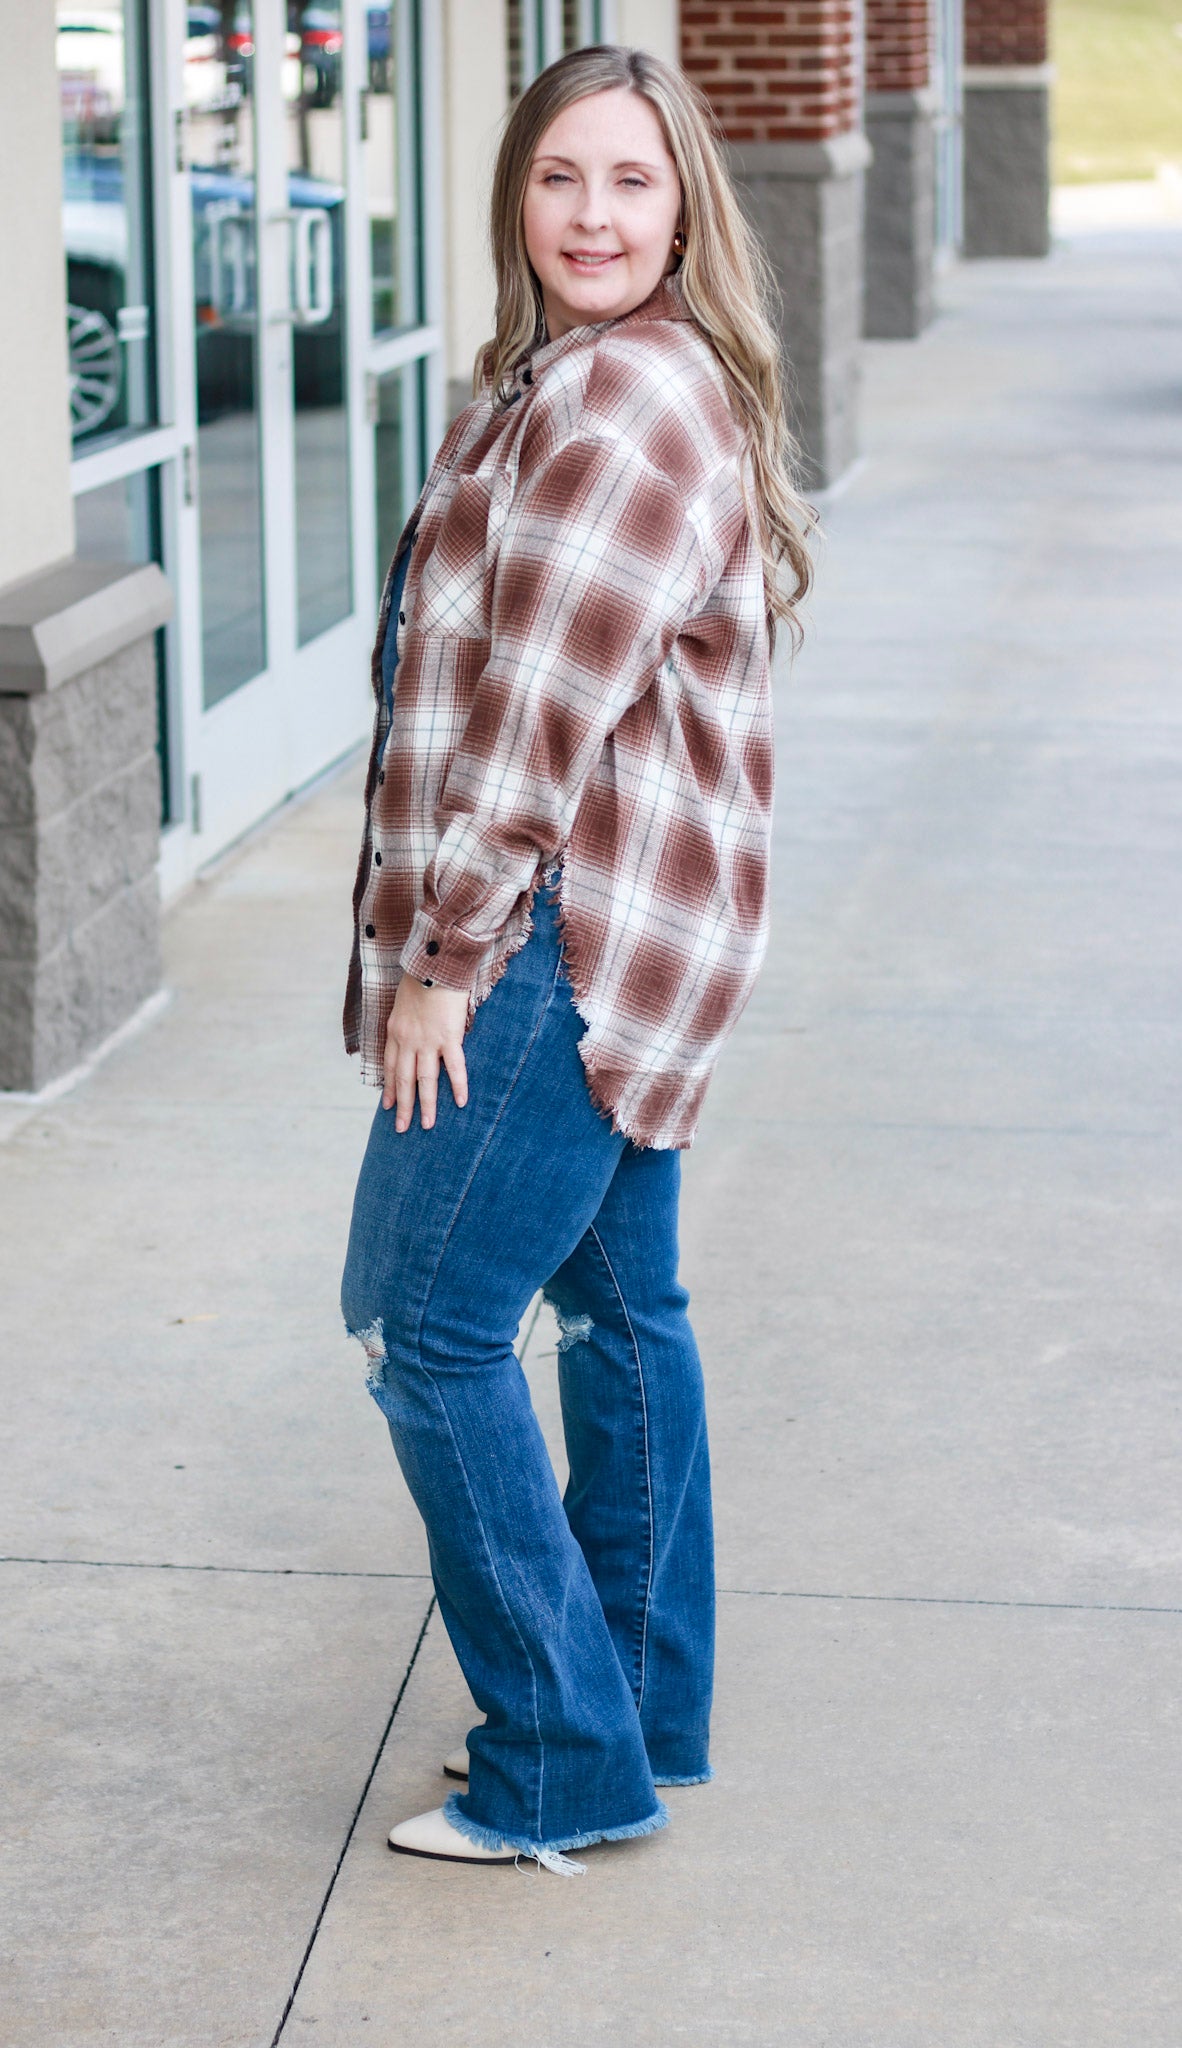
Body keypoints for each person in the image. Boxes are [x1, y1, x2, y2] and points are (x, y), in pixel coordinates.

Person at [340, 41, 812, 1876]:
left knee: (431, 1330)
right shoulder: (591, 376)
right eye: (558, 178)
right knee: (623, 1312)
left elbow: (535, 715)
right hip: (623, 934)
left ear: (683, 205)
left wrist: (443, 957)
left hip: (554, 940)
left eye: (629, 180)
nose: (591, 215)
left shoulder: (615, 401)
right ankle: (641, 1706)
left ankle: (556, 1759)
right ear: (513, 197)